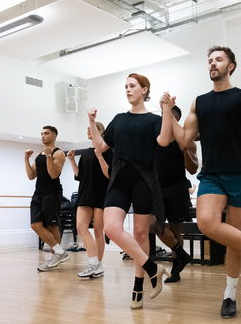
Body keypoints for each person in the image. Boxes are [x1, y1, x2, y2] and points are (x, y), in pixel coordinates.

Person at [161, 46, 241, 319]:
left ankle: (230, 295)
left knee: (235, 240)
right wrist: (168, 111)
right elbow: (183, 139)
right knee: (206, 222)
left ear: (231, 66)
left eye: (218, 60)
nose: (212, 64)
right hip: (212, 174)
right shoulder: (199, 102)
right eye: (210, 61)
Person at [87, 73, 172, 310]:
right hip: (119, 179)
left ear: (144, 89)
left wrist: (166, 110)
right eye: (125, 86)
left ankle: (138, 285)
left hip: (143, 179)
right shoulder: (119, 119)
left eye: (132, 85)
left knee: (141, 234)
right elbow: (100, 146)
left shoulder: (154, 119)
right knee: (112, 228)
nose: (128, 89)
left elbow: (164, 141)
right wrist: (92, 122)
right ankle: (153, 268)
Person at [154, 105, 198, 283]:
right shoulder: (156, 140)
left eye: (171, 116)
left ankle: (176, 271)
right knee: (155, 224)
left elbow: (193, 169)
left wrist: (185, 149)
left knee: (175, 228)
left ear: (177, 119)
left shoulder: (186, 141)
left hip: (177, 188)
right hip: (157, 189)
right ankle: (184, 255)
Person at [67, 123, 112, 279]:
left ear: (101, 132)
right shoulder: (86, 153)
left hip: (101, 194)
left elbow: (109, 175)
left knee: (99, 231)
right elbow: (79, 176)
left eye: (93, 128)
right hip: (85, 194)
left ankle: (98, 265)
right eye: (87, 128)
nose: (88, 129)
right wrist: (72, 161)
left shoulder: (108, 151)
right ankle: (94, 262)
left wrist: (99, 154)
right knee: (81, 227)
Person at [24, 126, 68, 272]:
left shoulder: (59, 153)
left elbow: (53, 174)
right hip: (38, 193)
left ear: (54, 136)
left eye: (46, 133)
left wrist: (49, 156)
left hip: (52, 193)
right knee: (35, 224)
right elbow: (31, 176)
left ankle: (55, 257)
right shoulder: (39, 155)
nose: (42, 136)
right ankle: (60, 252)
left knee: (52, 225)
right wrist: (26, 159)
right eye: (41, 133)